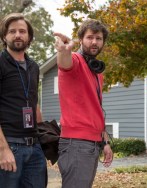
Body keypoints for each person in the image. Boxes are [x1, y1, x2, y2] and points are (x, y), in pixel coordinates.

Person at [53, 19, 113, 188]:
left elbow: (95, 109)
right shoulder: (75, 60)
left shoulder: (96, 72)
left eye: (99, 38)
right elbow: (64, 62)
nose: (94, 41)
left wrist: (105, 142)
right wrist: (63, 50)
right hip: (77, 144)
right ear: (81, 40)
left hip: (91, 143)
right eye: (90, 37)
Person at [0, 13, 46, 187]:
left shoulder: (34, 66)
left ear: (29, 36)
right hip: (9, 145)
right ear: (5, 36)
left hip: (34, 148)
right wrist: (2, 150)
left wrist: (43, 139)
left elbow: (33, 102)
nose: (17, 35)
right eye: (12, 31)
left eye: (22, 31)